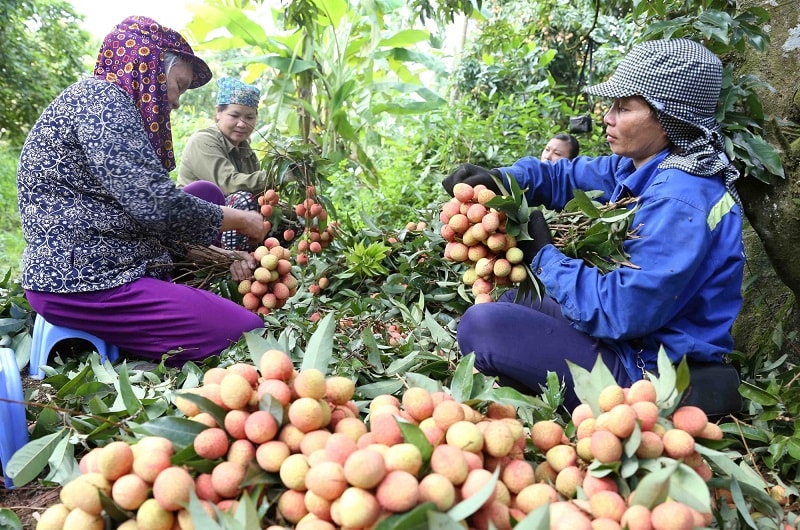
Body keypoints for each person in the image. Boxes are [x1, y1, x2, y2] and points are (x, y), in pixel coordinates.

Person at [443, 39, 744, 416]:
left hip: (648, 375)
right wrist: (500, 179)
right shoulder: (642, 165)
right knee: (513, 300)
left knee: (482, 327)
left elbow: (620, 311)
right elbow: (561, 177)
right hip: (631, 344)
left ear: (668, 118)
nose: (608, 118)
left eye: (624, 108)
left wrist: (544, 257)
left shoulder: (681, 199)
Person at [16, 16, 267, 367]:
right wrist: (241, 221)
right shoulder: (102, 101)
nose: (177, 101)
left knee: (203, 193)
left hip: (112, 248)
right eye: (178, 84)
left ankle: (170, 303)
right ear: (147, 68)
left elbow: (139, 205)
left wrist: (223, 257)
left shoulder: (104, 100)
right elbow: (155, 206)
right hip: (85, 278)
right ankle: (159, 319)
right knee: (248, 334)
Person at [178, 77, 270, 251]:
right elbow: (229, 185)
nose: (242, 123)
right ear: (218, 112)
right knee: (243, 199)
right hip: (195, 226)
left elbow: (262, 194)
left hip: (223, 223)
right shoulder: (204, 140)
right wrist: (274, 176)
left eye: (249, 117)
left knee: (286, 216)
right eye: (234, 115)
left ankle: (262, 263)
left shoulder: (246, 151)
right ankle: (233, 265)